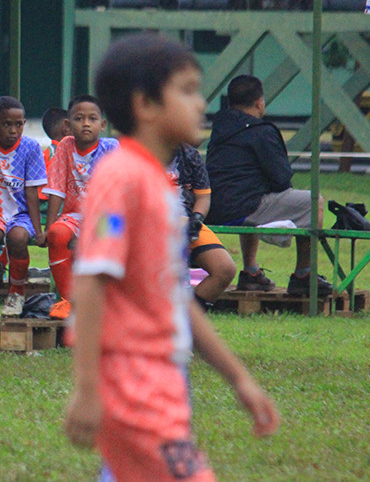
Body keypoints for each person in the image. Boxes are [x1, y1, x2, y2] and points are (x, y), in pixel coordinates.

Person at [65, 34, 280, 480]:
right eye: (187, 90)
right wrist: (86, 388)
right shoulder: (121, 180)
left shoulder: (156, 185)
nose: (201, 103)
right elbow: (91, 281)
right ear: (145, 105)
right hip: (134, 381)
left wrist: (238, 378)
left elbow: (176, 297)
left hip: (164, 374)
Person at [205, 75, 331, 297]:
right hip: (244, 206)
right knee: (313, 202)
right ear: (259, 102)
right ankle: (304, 274)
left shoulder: (219, 127)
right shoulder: (262, 131)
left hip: (213, 207)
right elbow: (281, 179)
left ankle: (251, 272)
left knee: (253, 198)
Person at [0, 96, 47, 317]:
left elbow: (32, 193)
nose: (13, 130)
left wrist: (38, 230)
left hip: (22, 214)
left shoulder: (31, 147)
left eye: (19, 124)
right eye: (6, 124)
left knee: (18, 238)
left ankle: (16, 293)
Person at [43, 95, 118, 320]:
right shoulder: (65, 147)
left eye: (92, 119)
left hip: (109, 214)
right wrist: (48, 227)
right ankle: (68, 300)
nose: (86, 124)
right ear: (68, 124)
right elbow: (57, 189)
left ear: (102, 125)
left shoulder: (111, 148)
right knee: (56, 235)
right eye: (79, 118)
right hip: (74, 215)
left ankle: (109, 303)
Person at [167, 143, 237, 309]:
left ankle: (188, 319)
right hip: (151, 225)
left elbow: (203, 198)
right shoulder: (137, 155)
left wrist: (196, 220)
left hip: (186, 221)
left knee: (224, 269)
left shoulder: (190, 155)